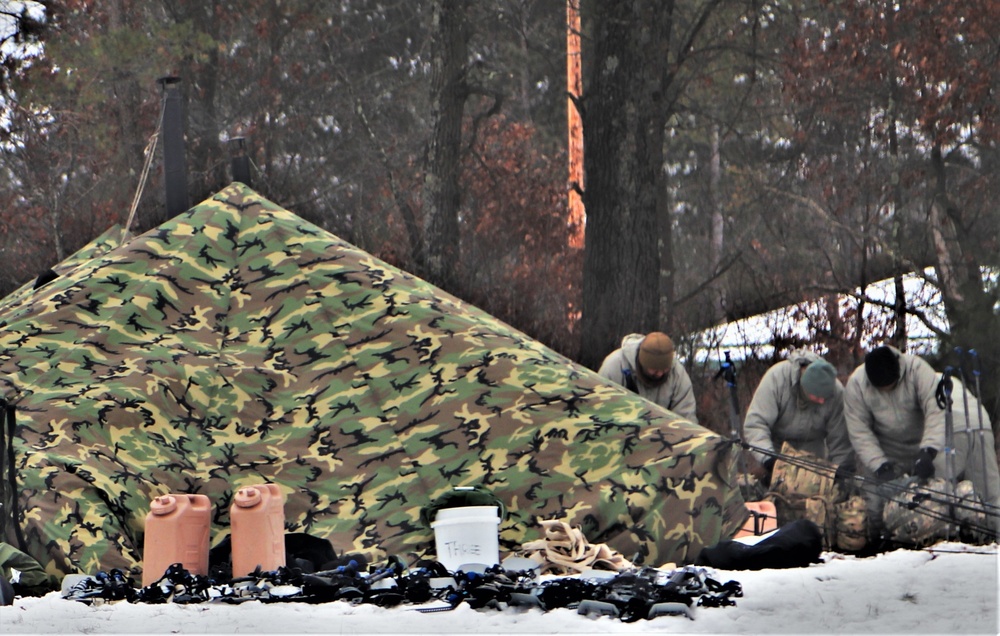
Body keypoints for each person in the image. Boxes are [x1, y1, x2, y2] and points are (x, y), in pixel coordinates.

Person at [844, 344, 1000, 537]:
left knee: (941, 493)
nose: (887, 392)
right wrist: (880, 465)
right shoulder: (857, 386)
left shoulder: (917, 370)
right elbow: (859, 432)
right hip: (891, 447)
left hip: (934, 436)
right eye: (881, 389)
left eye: (891, 387)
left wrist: (928, 451)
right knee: (881, 496)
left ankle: (986, 537)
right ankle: (880, 540)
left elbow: (935, 411)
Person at [743, 349, 854, 486]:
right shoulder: (776, 378)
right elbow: (756, 425)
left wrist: (839, 472)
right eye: (817, 396)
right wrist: (768, 459)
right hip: (774, 450)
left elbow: (841, 440)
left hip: (813, 459)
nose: (821, 401)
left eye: (825, 398)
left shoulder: (836, 391)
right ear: (805, 387)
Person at [597, 332, 698, 422]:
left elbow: (686, 418)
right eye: (655, 370)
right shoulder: (614, 368)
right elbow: (599, 411)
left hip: (662, 433)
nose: (660, 374)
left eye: (665, 369)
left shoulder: (677, 375)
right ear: (643, 363)